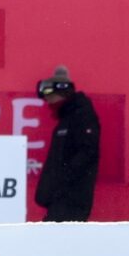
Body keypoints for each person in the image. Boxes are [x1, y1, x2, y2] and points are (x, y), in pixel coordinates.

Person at [35, 65, 100, 222]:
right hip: (60, 199)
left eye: (50, 96)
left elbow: (88, 151)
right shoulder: (66, 119)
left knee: (57, 243)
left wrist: (63, 179)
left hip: (71, 200)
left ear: (62, 92)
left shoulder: (82, 115)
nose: (48, 101)